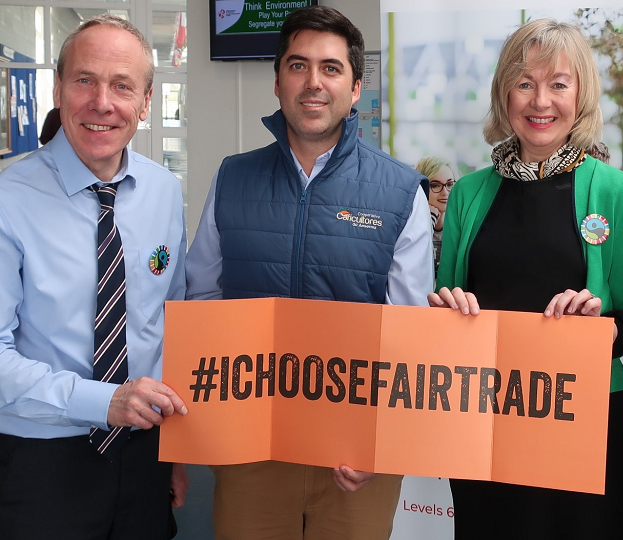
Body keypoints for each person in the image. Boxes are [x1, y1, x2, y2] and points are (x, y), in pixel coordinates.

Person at [185, 5, 433, 540]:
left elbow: (410, 332)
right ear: (277, 80)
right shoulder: (233, 178)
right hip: (252, 451)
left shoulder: (399, 192)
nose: (313, 83)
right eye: (298, 66)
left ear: (355, 86)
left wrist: (382, 444)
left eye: (331, 68)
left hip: (355, 461)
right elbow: (200, 300)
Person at [428, 18, 623, 540]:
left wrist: (604, 329)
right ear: (504, 93)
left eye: (558, 83)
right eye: (525, 82)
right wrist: (447, 315)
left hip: (587, 431)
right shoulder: (467, 194)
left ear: (580, 95)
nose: (541, 100)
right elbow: (444, 307)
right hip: (487, 428)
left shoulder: (616, 193)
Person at [0, 14, 188, 540]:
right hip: (42, 458)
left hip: (145, 450)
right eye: (85, 80)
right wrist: (102, 401)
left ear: (146, 102)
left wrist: (178, 448)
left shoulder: (163, 192)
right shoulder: (8, 201)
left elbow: (174, 322)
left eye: (122, 85)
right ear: (59, 89)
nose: (102, 102)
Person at [415, 156, 459, 275]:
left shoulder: (461, 225)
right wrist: (429, 219)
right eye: (435, 185)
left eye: (449, 184)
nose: (445, 193)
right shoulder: (410, 226)